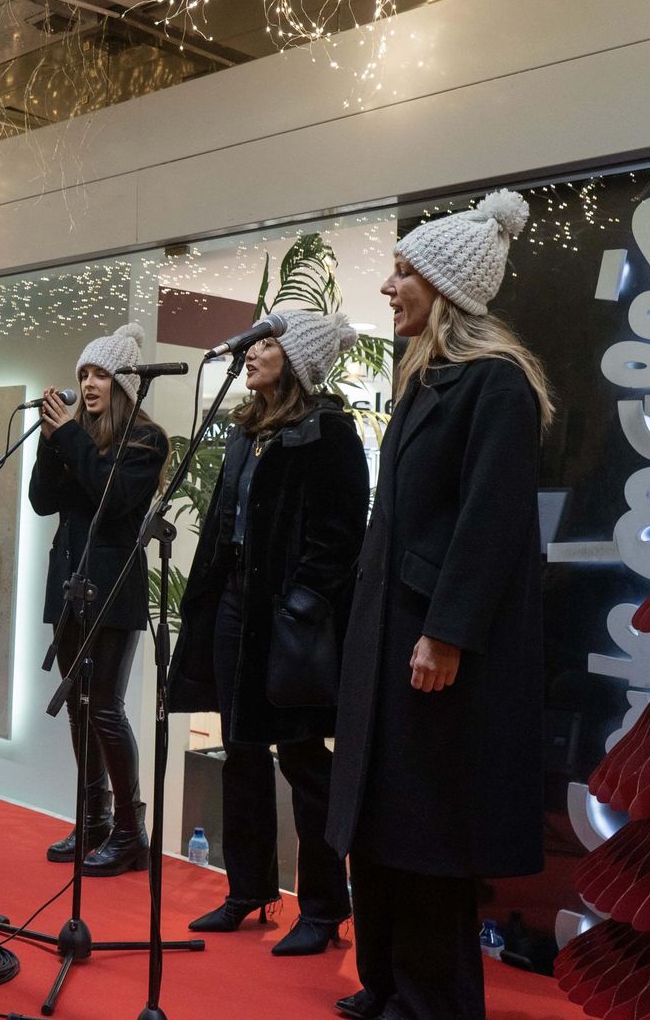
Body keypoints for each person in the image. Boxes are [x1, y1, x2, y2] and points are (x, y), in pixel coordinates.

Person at [327, 190, 554, 1020]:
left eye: (402, 272)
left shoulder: (494, 385)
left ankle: (434, 1002)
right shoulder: (427, 382)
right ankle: (386, 982)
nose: (388, 286)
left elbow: (491, 527)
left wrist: (445, 633)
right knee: (383, 823)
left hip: (432, 648)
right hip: (388, 641)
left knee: (427, 834)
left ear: (446, 287)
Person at [167, 311, 367, 955]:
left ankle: (322, 906)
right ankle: (247, 890)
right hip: (234, 608)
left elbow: (340, 537)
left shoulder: (328, 432)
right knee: (240, 750)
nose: (251, 354)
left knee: (306, 759)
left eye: (267, 344)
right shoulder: (246, 430)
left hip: (289, 619)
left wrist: (303, 604)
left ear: (299, 361)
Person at [29, 322, 169, 877]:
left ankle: (132, 834)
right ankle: (93, 820)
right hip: (68, 584)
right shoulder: (76, 439)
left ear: (124, 384)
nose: (88, 384)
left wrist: (68, 438)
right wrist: (48, 442)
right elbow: (44, 501)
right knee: (79, 706)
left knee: (106, 706)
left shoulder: (145, 441)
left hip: (112, 589)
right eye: (83, 373)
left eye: (101, 374)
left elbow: (111, 500)